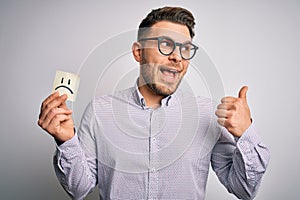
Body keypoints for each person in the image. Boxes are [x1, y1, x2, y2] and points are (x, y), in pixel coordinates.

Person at [38, 6, 270, 200]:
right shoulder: (100, 110)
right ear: (138, 53)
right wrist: (66, 141)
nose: (177, 57)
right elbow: (78, 189)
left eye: (185, 49)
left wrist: (246, 133)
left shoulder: (207, 114)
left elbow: (245, 189)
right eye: (166, 45)